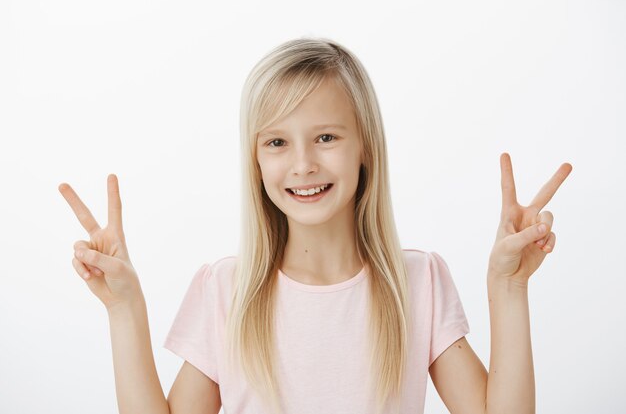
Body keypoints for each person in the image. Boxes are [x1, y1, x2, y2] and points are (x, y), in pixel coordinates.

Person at [58, 37, 572, 414]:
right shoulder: (226, 291)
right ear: (255, 161)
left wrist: (509, 286)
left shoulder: (420, 283)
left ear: (365, 146)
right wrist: (124, 308)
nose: (302, 163)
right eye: (277, 142)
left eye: (326, 137)